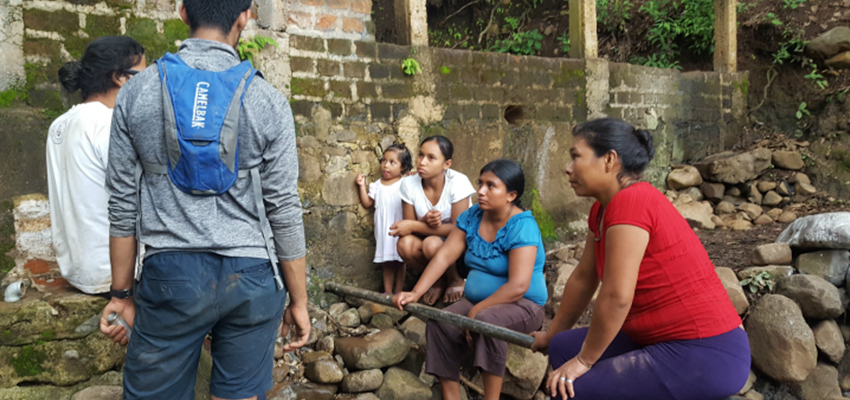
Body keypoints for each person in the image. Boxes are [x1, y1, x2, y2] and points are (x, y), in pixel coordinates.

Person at [98, 1, 311, 399]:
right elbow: (283, 209)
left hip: (171, 276)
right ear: (245, 16)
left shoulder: (137, 93)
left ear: (182, 12)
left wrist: (121, 294)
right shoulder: (269, 101)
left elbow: (122, 206)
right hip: (252, 277)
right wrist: (298, 300)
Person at [530, 118, 750, 400]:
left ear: (609, 160)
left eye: (576, 157)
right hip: (658, 337)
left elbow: (617, 295)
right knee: (562, 347)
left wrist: (584, 361)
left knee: (573, 390)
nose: (568, 167)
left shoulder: (631, 202)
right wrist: (551, 335)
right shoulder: (602, 209)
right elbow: (584, 278)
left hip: (704, 351)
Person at [394, 159, 547, 400]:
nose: (481, 191)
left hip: (523, 305)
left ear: (511, 195)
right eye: (480, 183)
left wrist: (477, 311)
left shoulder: (522, 226)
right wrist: (415, 292)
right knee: (440, 321)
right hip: (477, 301)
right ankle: (451, 395)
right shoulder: (473, 216)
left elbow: (518, 286)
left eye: (490, 186)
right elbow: (444, 256)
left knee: (486, 322)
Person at [46, 36, 146, 295]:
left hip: (77, 270)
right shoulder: (110, 123)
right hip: (116, 273)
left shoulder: (60, 124)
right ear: (120, 77)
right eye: (143, 77)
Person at [390, 136, 475, 305]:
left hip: (459, 249)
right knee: (404, 244)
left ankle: (455, 279)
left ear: (447, 164)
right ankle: (437, 281)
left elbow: (461, 229)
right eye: (420, 155)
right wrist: (423, 220)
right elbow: (409, 231)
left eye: (431, 158)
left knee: (432, 244)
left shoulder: (458, 182)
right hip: (428, 244)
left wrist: (416, 224)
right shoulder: (408, 184)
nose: (422, 162)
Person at [356, 143, 413, 294]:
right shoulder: (377, 185)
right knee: (386, 261)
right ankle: (387, 293)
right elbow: (368, 202)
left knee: (401, 261)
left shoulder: (405, 183)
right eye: (384, 161)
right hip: (383, 230)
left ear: (403, 167)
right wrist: (362, 186)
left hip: (399, 227)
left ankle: (398, 291)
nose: (386, 165)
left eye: (392, 162)